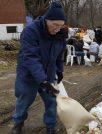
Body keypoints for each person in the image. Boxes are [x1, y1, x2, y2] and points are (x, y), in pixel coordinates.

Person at [11, 2, 67, 134]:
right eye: (55, 25)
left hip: (49, 73)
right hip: (28, 75)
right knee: (23, 101)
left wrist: (59, 70)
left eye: (61, 25)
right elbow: (30, 57)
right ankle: (18, 123)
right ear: (46, 20)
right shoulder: (31, 31)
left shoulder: (60, 33)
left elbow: (60, 54)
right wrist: (43, 80)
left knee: (52, 101)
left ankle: (51, 126)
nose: (57, 29)